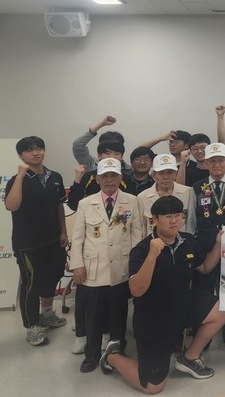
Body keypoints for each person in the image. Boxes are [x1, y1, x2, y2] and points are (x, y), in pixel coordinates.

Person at [100, 196, 225, 393]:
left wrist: (218, 244)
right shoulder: (142, 250)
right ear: (154, 219)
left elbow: (204, 267)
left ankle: (190, 358)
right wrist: (152, 255)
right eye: (168, 216)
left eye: (178, 215)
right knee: (153, 387)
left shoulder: (188, 240)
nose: (174, 221)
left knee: (224, 308)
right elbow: (136, 290)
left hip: (182, 304)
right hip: (154, 318)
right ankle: (112, 356)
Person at [69, 158, 142, 372]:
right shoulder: (86, 203)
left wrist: (135, 266)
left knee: (118, 314)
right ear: (98, 179)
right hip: (93, 269)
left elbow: (136, 234)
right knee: (92, 316)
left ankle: (116, 353)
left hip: (121, 268)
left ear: (121, 177)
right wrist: (77, 265)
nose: (109, 180)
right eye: (105, 176)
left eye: (114, 175)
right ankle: (91, 355)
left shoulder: (132, 201)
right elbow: (78, 238)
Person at [4, 136, 68, 347]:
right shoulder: (16, 179)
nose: (35, 153)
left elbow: (59, 206)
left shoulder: (55, 177)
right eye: (29, 150)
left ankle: (47, 314)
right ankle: (32, 327)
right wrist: (20, 176)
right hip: (28, 243)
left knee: (53, 276)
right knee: (31, 284)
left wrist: (63, 231)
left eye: (39, 148)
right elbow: (11, 206)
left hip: (53, 239)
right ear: (21, 155)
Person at [186, 142, 225, 357]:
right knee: (202, 294)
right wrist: (192, 249)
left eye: (220, 160)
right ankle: (201, 339)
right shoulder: (197, 186)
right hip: (205, 248)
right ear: (206, 164)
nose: (217, 164)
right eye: (212, 161)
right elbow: (191, 221)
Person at [138, 154, 192, 237]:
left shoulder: (188, 193)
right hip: (153, 243)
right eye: (161, 173)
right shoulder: (142, 197)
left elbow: (192, 223)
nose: (166, 177)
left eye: (170, 172)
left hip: (182, 242)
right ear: (153, 175)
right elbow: (141, 228)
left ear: (175, 174)